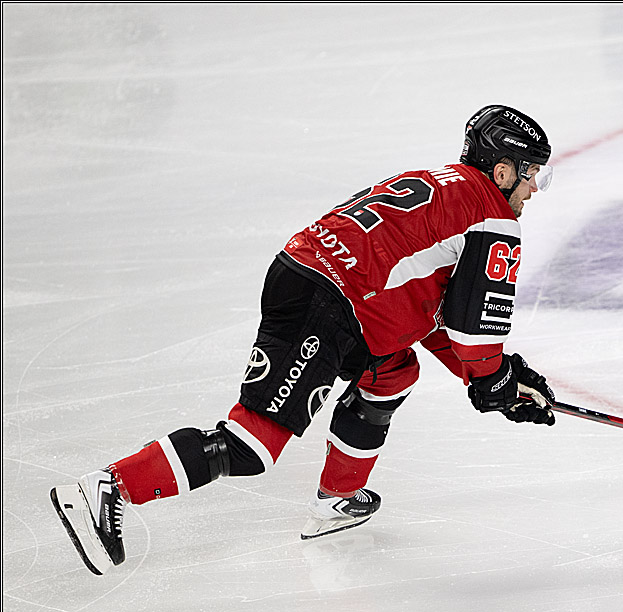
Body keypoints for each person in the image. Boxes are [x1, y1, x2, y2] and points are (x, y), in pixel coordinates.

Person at [50, 105, 558, 575]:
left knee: (392, 370)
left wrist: (497, 378)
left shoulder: (438, 182)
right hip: (331, 303)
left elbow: (433, 314)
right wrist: (492, 378)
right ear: (504, 170)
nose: (533, 190)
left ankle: (339, 497)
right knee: (250, 447)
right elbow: (473, 328)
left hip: (312, 278)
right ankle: (109, 485)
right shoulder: (491, 217)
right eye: (532, 174)